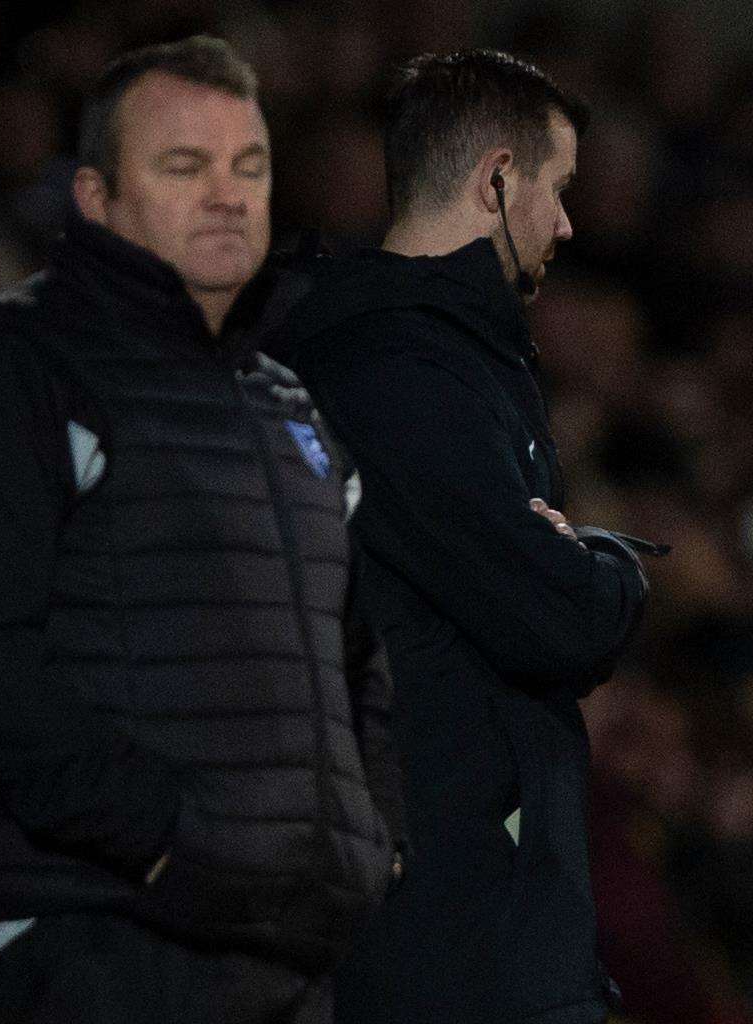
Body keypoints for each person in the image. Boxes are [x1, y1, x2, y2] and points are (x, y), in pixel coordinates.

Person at [0, 36, 403, 1024]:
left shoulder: (289, 406)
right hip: (86, 934)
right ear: (95, 198)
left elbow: (359, 674)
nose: (227, 194)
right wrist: (172, 835)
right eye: (184, 165)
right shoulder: (12, 368)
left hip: (284, 946)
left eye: (247, 166)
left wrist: (367, 844)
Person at [261, 49, 653, 1024]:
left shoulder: (436, 355)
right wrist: (611, 566)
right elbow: (556, 618)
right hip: (446, 924)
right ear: (495, 178)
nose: (567, 222)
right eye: (557, 189)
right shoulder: (398, 366)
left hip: (466, 910)